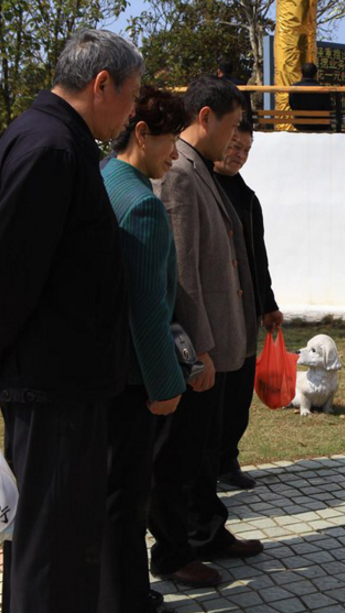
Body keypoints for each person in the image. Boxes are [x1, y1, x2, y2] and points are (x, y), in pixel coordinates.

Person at [0, 29, 142, 613]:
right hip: (50, 389)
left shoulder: (60, 140)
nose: (134, 111)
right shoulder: (50, 148)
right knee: (49, 550)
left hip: (68, 385)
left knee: (66, 542)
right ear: (101, 83)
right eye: (131, 96)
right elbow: (10, 276)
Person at [149, 75, 261, 588]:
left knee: (202, 450)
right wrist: (199, 351)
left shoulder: (201, 171)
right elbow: (182, 274)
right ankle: (175, 551)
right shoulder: (180, 174)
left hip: (217, 343)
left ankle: (208, 532)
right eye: (232, 126)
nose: (234, 139)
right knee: (179, 457)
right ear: (206, 118)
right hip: (200, 349)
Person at [99, 86, 188, 613]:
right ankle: (126, 597)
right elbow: (147, 308)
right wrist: (165, 385)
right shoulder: (142, 206)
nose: (174, 155)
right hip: (132, 378)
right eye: (170, 142)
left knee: (109, 491)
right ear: (141, 135)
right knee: (127, 496)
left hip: (100, 370)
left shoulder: (104, 178)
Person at [214, 121, 283, 490]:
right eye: (233, 145)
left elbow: (259, 259)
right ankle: (205, 464)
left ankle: (227, 460)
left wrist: (268, 304)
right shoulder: (200, 186)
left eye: (246, 150)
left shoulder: (248, 198)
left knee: (239, 392)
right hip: (213, 310)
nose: (238, 155)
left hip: (245, 311)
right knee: (213, 395)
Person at [289, 62, 333, 132]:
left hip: (300, 124)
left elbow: (292, 106)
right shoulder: (323, 89)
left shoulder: (294, 88)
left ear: (302, 74)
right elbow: (328, 108)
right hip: (320, 125)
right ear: (315, 75)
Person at [217, 57, 253, 124]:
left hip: (220, 122)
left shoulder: (215, 85)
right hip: (240, 123)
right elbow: (247, 108)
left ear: (219, 71)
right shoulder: (241, 85)